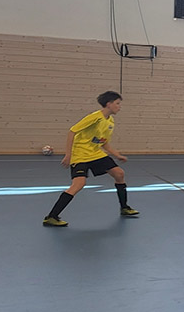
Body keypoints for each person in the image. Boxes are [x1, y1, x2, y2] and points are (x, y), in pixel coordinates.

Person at [42, 91, 139, 227]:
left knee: (119, 174)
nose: (119, 106)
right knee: (78, 184)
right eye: (117, 103)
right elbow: (72, 132)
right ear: (109, 104)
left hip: (95, 154)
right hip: (80, 154)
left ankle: (124, 207)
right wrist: (68, 155)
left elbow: (103, 142)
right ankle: (51, 217)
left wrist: (116, 154)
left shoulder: (110, 121)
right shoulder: (95, 117)